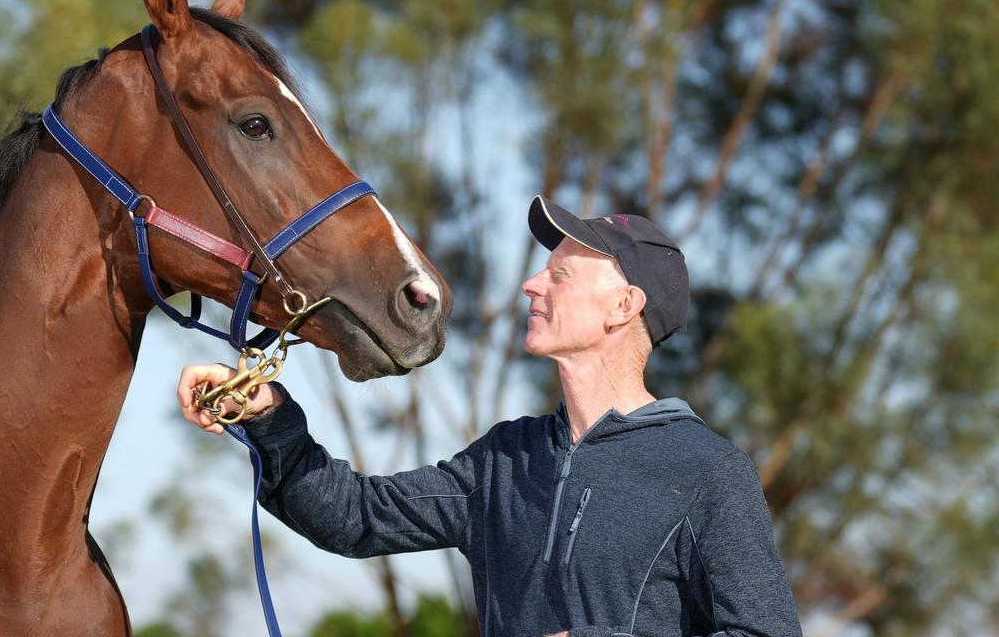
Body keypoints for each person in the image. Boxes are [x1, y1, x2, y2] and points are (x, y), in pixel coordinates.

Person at [177, 196, 803, 637]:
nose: (531, 283)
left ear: (623, 306)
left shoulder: (708, 472)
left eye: (559, 275)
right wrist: (268, 418)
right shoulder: (505, 457)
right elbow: (355, 519)